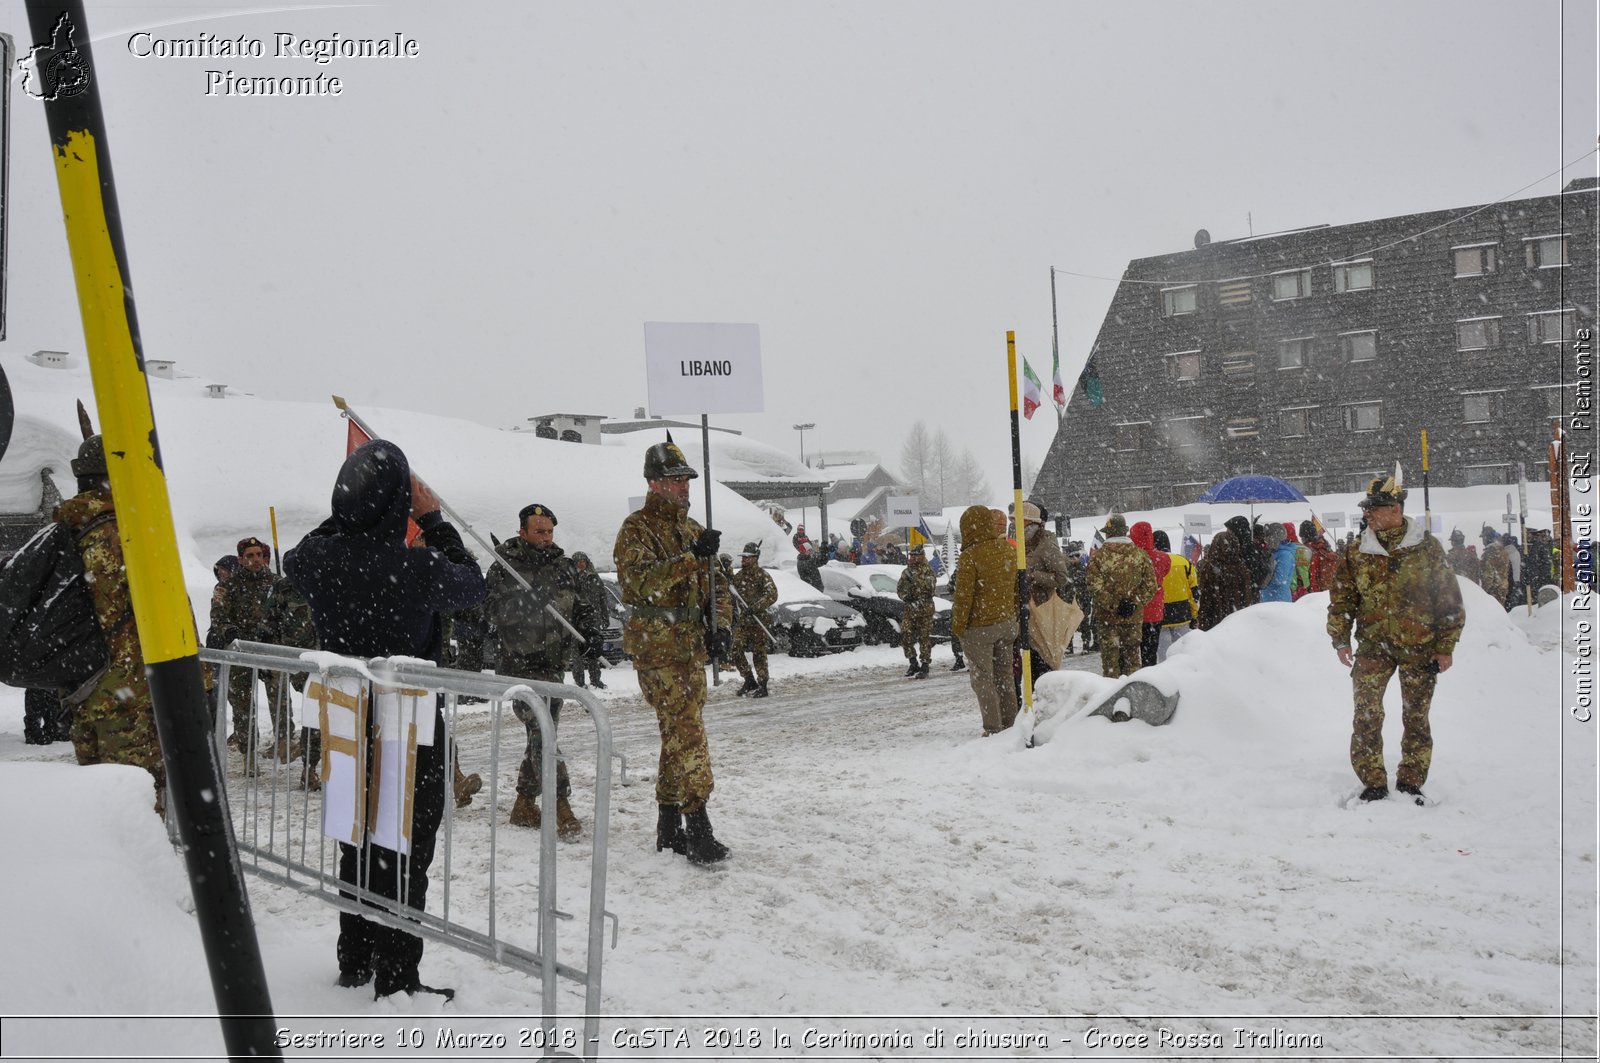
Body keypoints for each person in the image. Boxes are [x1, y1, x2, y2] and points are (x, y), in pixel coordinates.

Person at [284, 438, 486, 998]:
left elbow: (296, 557)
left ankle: (356, 960)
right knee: (406, 849)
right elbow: (472, 583)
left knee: (356, 842)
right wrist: (434, 520)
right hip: (407, 727)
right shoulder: (414, 566)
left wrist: (347, 517)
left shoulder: (320, 560)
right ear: (398, 503)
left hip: (347, 722)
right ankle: (398, 980)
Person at [613, 436, 733, 865]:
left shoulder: (693, 529)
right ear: (653, 483)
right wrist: (688, 558)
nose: (683, 487)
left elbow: (718, 585)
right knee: (687, 732)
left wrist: (722, 625)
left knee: (675, 734)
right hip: (658, 650)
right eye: (675, 480)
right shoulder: (636, 530)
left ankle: (668, 825)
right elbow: (638, 584)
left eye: (685, 479)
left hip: (690, 648)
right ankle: (699, 826)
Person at [1327, 474, 1464, 804]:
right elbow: (1343, 598)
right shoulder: (1357, 550)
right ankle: (1372, 780)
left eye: (1373, 510)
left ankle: (1411, 780)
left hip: (1420, 646)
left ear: (1394, 509)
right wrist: (1340, 639)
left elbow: (1448, 599)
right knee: (1366, 714)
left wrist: (1445, 646)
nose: (1367, 516)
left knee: (1416, 716)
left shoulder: (1426, 548)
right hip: (1374, 646)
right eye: (1367, 510)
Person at [54, 435, 165, 813]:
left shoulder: (68, 528)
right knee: (138, 810)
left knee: (97, 806)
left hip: (83, 688)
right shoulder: (121, 533)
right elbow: (158, 605)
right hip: (128, 693)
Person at [484, 502, 596, 838]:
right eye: (539, 532)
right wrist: (528, 601)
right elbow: (490, 611)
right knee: (543, 732)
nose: (546, 538)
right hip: (519, 665)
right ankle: (560, 804)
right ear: (522, 532)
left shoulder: (562, 565)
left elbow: (579, 602)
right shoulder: (505, 567)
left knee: (542, 735)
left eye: (549, 531)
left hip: (552, 665)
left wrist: (588, 629)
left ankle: (523, 804)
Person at [209, 535, 298, 764]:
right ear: (240, 559)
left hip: (271, 650)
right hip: (242, 652)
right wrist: (230, 632)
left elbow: (288, 614)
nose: (256, 560)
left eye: (259, 555)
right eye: (250, 556)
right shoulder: (227, 586)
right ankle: (248, 750)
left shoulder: (277, 582)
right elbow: (218, 616)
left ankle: (283, 742)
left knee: (280, 698)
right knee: (242, 704)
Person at [950, 504, 1018, 735]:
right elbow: (1016, 589)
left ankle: (993, 726)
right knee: (1005, 676)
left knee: (983, 678)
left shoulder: (970, 556)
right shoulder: (1008, 550)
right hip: (1006, 624)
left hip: (979, 628)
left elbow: (963, 597)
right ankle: (1011, 722)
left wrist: (958, 627)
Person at [1086, 514, 1158, 678]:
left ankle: (1113, 700)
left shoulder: (1098, 557)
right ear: (1124, 532)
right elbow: (1151, 586)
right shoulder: (1141, 556)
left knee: (1111, 667)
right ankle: (1134, 699)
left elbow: (1095, 588)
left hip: (1107, 620)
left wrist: (1115, 605)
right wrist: (1133, 603)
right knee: (1133, 664)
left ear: (1108, 534)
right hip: (1133, 619)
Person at [1020, 502, 1070, 675]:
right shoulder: (1018, 543)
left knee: (1042, 663)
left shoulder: (1046, 544)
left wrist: (1034, 576)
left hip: (1041, 612)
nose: (1015, 524)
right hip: (1023, 612)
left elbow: (1061, 577)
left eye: (1020, 520)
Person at [729, 542, 778, 697]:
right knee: (735, 650)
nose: (744, 560)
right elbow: (729, 587)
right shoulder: (739, 577)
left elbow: (772, 595)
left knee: (759, 654)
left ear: (755, 558)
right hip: (744, 621)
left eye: (748, 557)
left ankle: (762, 684)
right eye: (743, 557)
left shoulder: (762, 575)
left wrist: (756, 607)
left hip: (759, 621)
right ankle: (749, 680)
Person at [1129, 521, 1170, 668]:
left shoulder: (1131, 558)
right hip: (1155, 611)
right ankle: (1150, 676)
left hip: (1135, 611)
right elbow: (1165, 572)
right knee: (1150, 651)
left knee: (1132, 653)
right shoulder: (1163, 558)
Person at [1195, 528, 1253, 631]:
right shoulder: (1242, 568)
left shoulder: (1210, 568)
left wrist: (1203, 622)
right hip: (1240, 619)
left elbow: (1206, 599)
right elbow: (1247, 595)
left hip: (1217, 623)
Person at [1153, 530, 1196, 662]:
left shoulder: (1152, 563)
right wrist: (1194, 614)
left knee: (1163, 658)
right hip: (1182, 614)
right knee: (1183, 655)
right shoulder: (1184, 562)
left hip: (1160, 616)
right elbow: (1194, 591)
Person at [569, 551, 608, 690]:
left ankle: (596, 680)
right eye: (578, 561)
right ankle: (579, 682)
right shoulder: (570, 579)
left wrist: (604, 616)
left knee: (594, 651)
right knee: (577, 654)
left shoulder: (594, 578)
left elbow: (602, 597)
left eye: (583, 561)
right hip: (575, 621)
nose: (581, 564)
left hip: (593, 620)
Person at [896, 547, 936, 679]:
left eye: (914, 555)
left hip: (925, 609)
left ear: (921, 556)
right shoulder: (906, 571)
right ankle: (912, 662)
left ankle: (925, 665)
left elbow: (930, 589)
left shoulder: (927, 570)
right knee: (905, 633)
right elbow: (900, 589)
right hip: (910, 609)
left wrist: (915, 583)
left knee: (924, 637)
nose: (911, 558)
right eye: (911, 555)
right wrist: (906, 596)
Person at [1225, 514, 1269, 602]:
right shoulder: (1238, 547)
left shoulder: (1248, 550)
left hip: (1246, 597)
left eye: (1229, 531)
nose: (1227, 534)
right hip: (1242, 596)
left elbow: (1255, 575)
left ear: (1237, 531)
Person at [1259, 523, 1297, 603]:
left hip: (1279, 599)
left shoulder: (1285, 555)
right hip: (1270, 598)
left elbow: (1280, 579)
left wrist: (1264, 575)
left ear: (1275, 538)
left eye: (1268, 538)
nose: (1266, 541)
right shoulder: (1274, 552)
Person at [1302, 520, 1340, 593]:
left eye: (1302, 536)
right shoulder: (1324, 546)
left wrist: (1314, 595)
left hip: (1318, 593)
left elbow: (1313, 576)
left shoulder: (1310, 551)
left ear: (1305, 537)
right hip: (1330, 590)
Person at [1480, 527, 1511, 607]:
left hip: (1493, 592)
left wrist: (1483, 593)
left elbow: (1488, 576)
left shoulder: (1490, 552)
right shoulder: (1502, 550)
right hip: (1502, 589)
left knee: (1492, 615)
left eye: (1483, 537)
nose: (1482, 540)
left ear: (1487, 537)